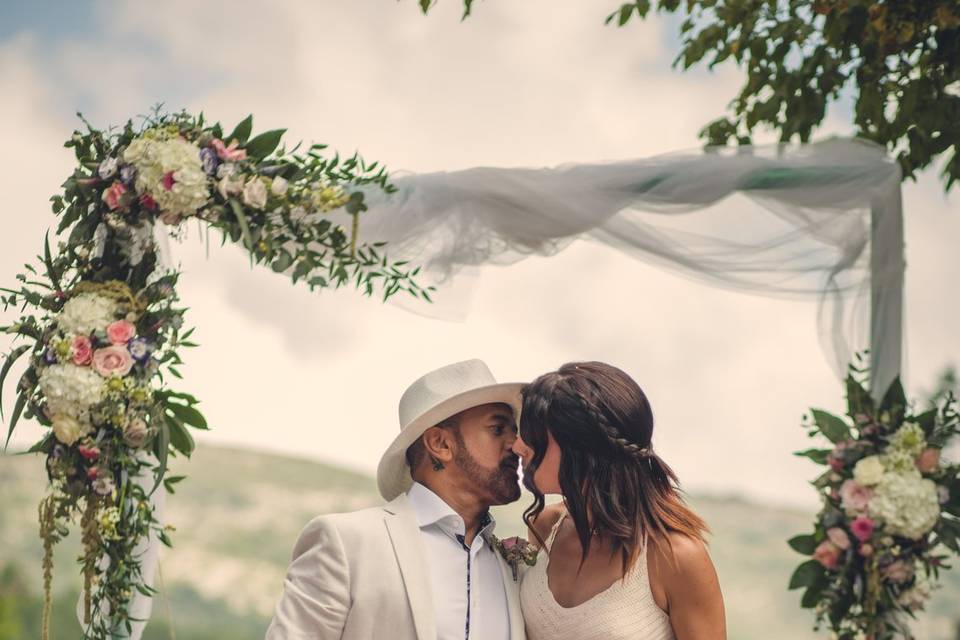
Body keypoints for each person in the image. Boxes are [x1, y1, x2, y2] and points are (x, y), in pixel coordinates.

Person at [266, 359, 527, 639]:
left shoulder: (514, 565)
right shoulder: (346, 542)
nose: (519, 445)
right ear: (441, 444)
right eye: (498, 429)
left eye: (516, 431)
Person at [513, 361, 726, 640]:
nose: (518, 445)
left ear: (582, 447)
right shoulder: (545, 527)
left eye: (535, 435)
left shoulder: (675, 557)